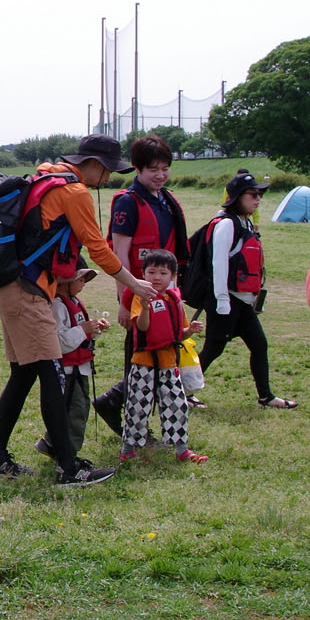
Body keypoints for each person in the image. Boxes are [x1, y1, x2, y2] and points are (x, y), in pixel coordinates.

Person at [0, 137, 158, 485]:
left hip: (16, 286)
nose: (109, 178)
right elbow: (99, 249)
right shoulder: (74, 192)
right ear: (94, 162)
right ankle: (69, 467)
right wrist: (134, 283)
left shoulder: (48, 174)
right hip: (29, 291)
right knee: (49, 374)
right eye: (109, 169)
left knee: (24, 375)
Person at [92, 134, 191, 430]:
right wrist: (125, 301)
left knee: (164, 352)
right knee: (140, 357)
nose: (160, 175)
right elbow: (118, 254)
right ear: (137, 169)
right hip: (138, 295)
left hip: (164, 293)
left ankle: (118, 405)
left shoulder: (165, 200)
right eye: (153, 170)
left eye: (165, 168)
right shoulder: (129, 203)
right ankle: (129, 419)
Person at [197, 171, 296, 409]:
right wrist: (222, 301)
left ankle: (266, 396)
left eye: (259, 194)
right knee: (212, 349)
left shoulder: (245, 222)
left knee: (259, 345)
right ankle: (177, 389)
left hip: (241, 302)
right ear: (237, 197)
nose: (258, 198)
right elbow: (218, 264)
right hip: (226, 301)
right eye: (252, 194)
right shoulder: (227, 225)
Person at [31, 260, 117, 485]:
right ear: (66, 281)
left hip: (80, 367)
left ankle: (50, 444)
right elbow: (58, 341)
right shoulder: (58, 306)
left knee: (70, 409)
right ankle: (68, 457)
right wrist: (83, 330)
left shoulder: (73, 301)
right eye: (81, 279)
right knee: (75, 412)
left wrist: (93, 329)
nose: (84, 283)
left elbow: (79, 334)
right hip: (68, 370)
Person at [120, 251, 208, 464]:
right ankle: (128, 449)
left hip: (169, 363)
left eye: (163, 272)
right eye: (151, 272)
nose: (156, 277)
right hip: (144, 362)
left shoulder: (174, 299)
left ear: (173, 276)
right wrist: (146, 308)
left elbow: (180, 333)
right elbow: (141, 327)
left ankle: (181, 449)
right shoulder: (140, 298)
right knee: (137, 405)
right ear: (142, 274)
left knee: (177, 404)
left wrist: (191, 330)